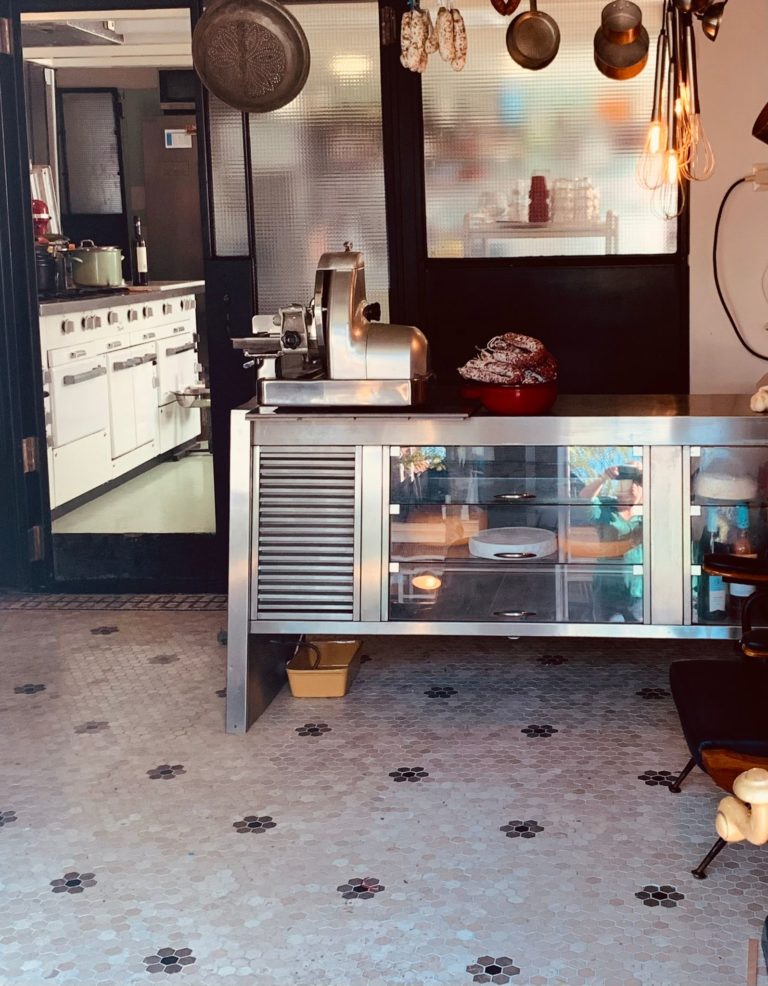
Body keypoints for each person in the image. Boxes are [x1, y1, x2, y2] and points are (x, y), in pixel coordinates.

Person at [579, 464, 643, 623]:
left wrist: (647, 471)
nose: (631, 487)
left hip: (639, 593)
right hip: (608, 590)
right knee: (612, 632)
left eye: (637, 482)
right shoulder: (606, 509)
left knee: (640, 633)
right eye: (626, 481)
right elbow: (584, 497)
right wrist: (604, 478)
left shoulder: (648, 514)